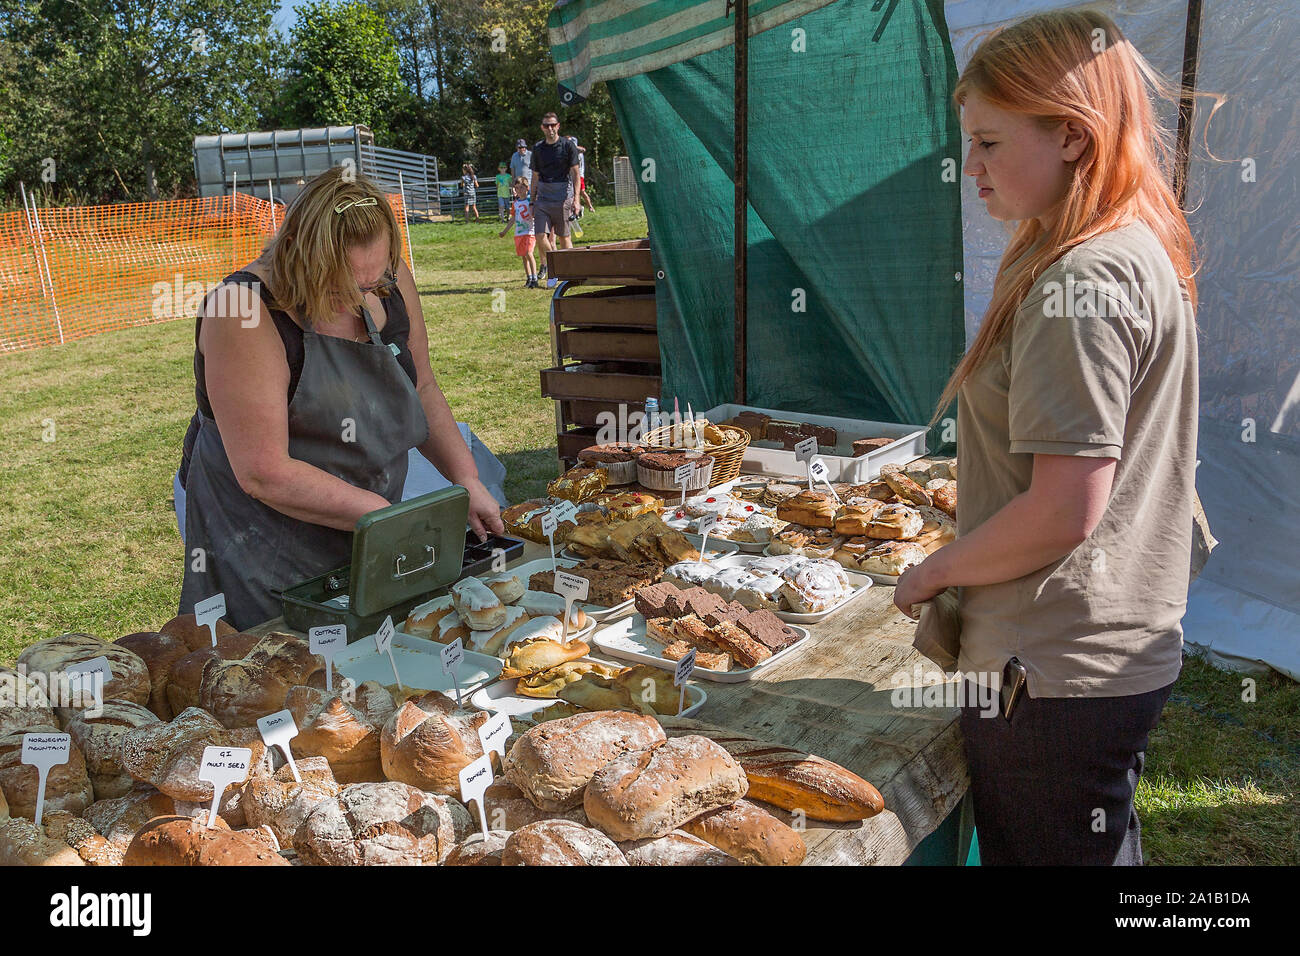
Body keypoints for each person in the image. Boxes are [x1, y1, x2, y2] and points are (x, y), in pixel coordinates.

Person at [894, 10, 1199, 866]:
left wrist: (934, 572)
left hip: (1054, 667)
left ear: (1071, 136)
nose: (971, 167)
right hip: (1095, 652)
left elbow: (1066, 506)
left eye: (989, 142)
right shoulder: (1122, 245)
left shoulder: (1086, 276)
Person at [176, 165, 505, 631]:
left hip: (368, 517)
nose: (359, 299)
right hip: (262, 538)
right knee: (279, 668)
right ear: (297, 255)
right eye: (340, 286)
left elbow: (422, 385)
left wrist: (465, 478)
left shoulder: (385, 277)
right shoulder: (242, 311)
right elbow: (264, 472)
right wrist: (390, 522)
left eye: (371, 286)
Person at [530, 112, 581, 287]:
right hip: (543, 197)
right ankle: (555, 267)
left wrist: (576, 200)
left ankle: (571, 272)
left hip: (563, 197)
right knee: (539, 236)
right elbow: (535, 176)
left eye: (553, 125)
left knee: (564, 237)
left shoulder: (568, 146)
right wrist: (531, 200)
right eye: (546, 125)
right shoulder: (537, 149)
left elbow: (576, 174)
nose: (550, 128)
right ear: (542, 128)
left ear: (558, 126)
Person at [499, 177, 538, 288]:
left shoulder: (530, 201)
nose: (519, 190)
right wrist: (504, 231)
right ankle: (529, 277)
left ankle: (535, 277)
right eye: (517, 188)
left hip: (530, 231)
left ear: (527, 188)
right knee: (523, 256)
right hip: (519, 233)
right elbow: (513, 219)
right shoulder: (515, 203)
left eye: (521, 188)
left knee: (529, 253)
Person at [569, 136, 595, 214]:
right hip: (572, 175)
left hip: (579, 175)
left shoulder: (577, 152)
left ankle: (590, 207)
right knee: (573, 193)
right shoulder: (573, 152)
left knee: (581, 192)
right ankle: (578, 208)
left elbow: (583, 149)